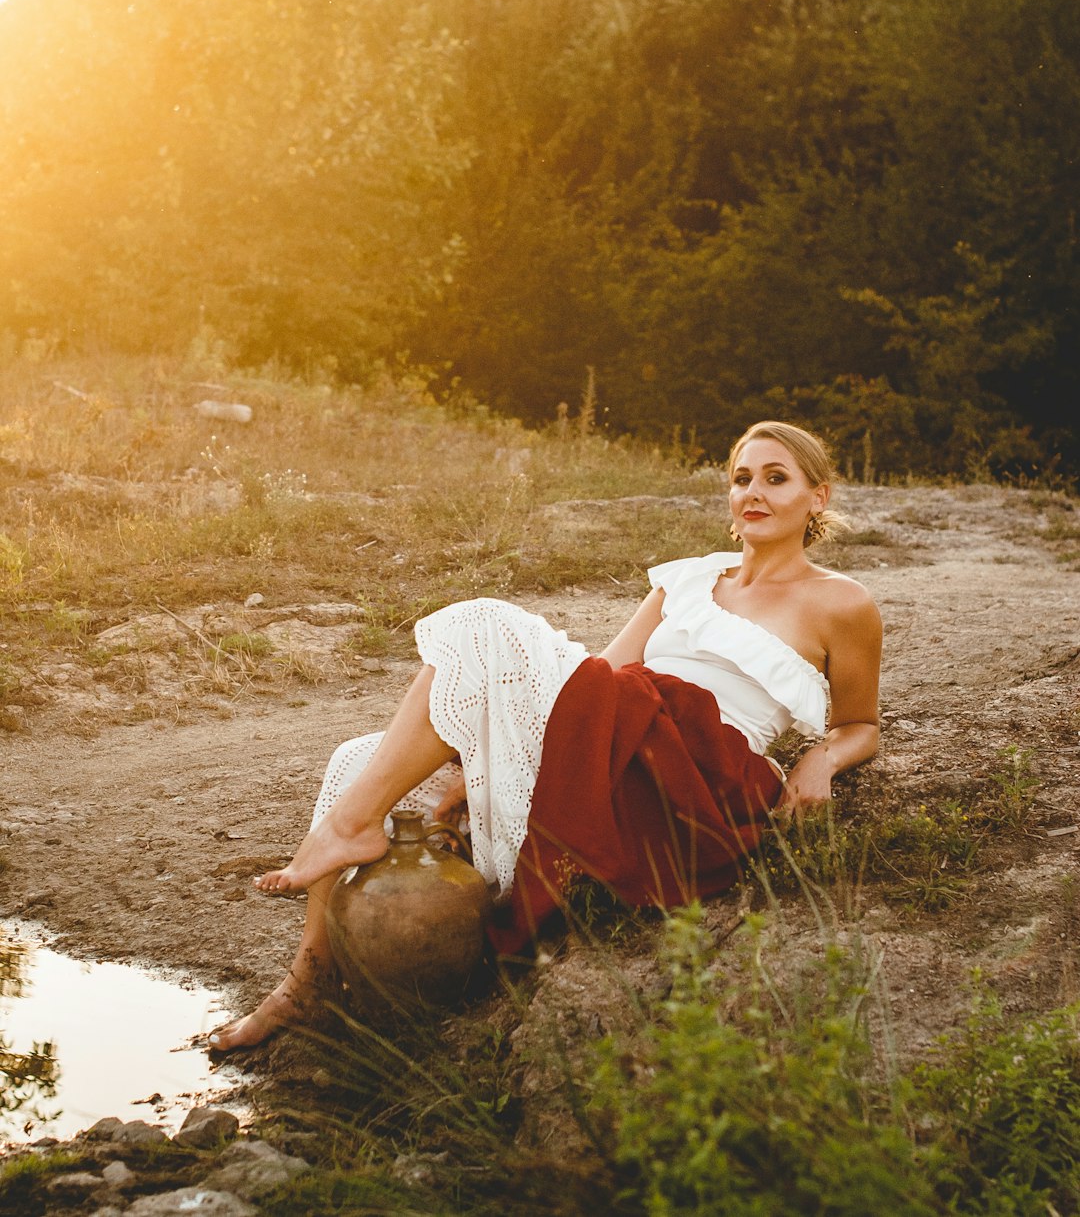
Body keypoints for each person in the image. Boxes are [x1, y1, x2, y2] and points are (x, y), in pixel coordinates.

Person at [208, 420, 881, 1052]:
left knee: (485, 624)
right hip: (624, 735)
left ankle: (351, 827)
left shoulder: (841, 602)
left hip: (695, 772)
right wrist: (481, 744)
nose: (753, 493)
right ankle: (305, 984)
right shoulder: (686, 578)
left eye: (775, 478)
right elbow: (607, 673)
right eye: (741, 478)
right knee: (356, 758)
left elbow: (862, 724)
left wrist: (820, 760)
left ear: (817, 496)